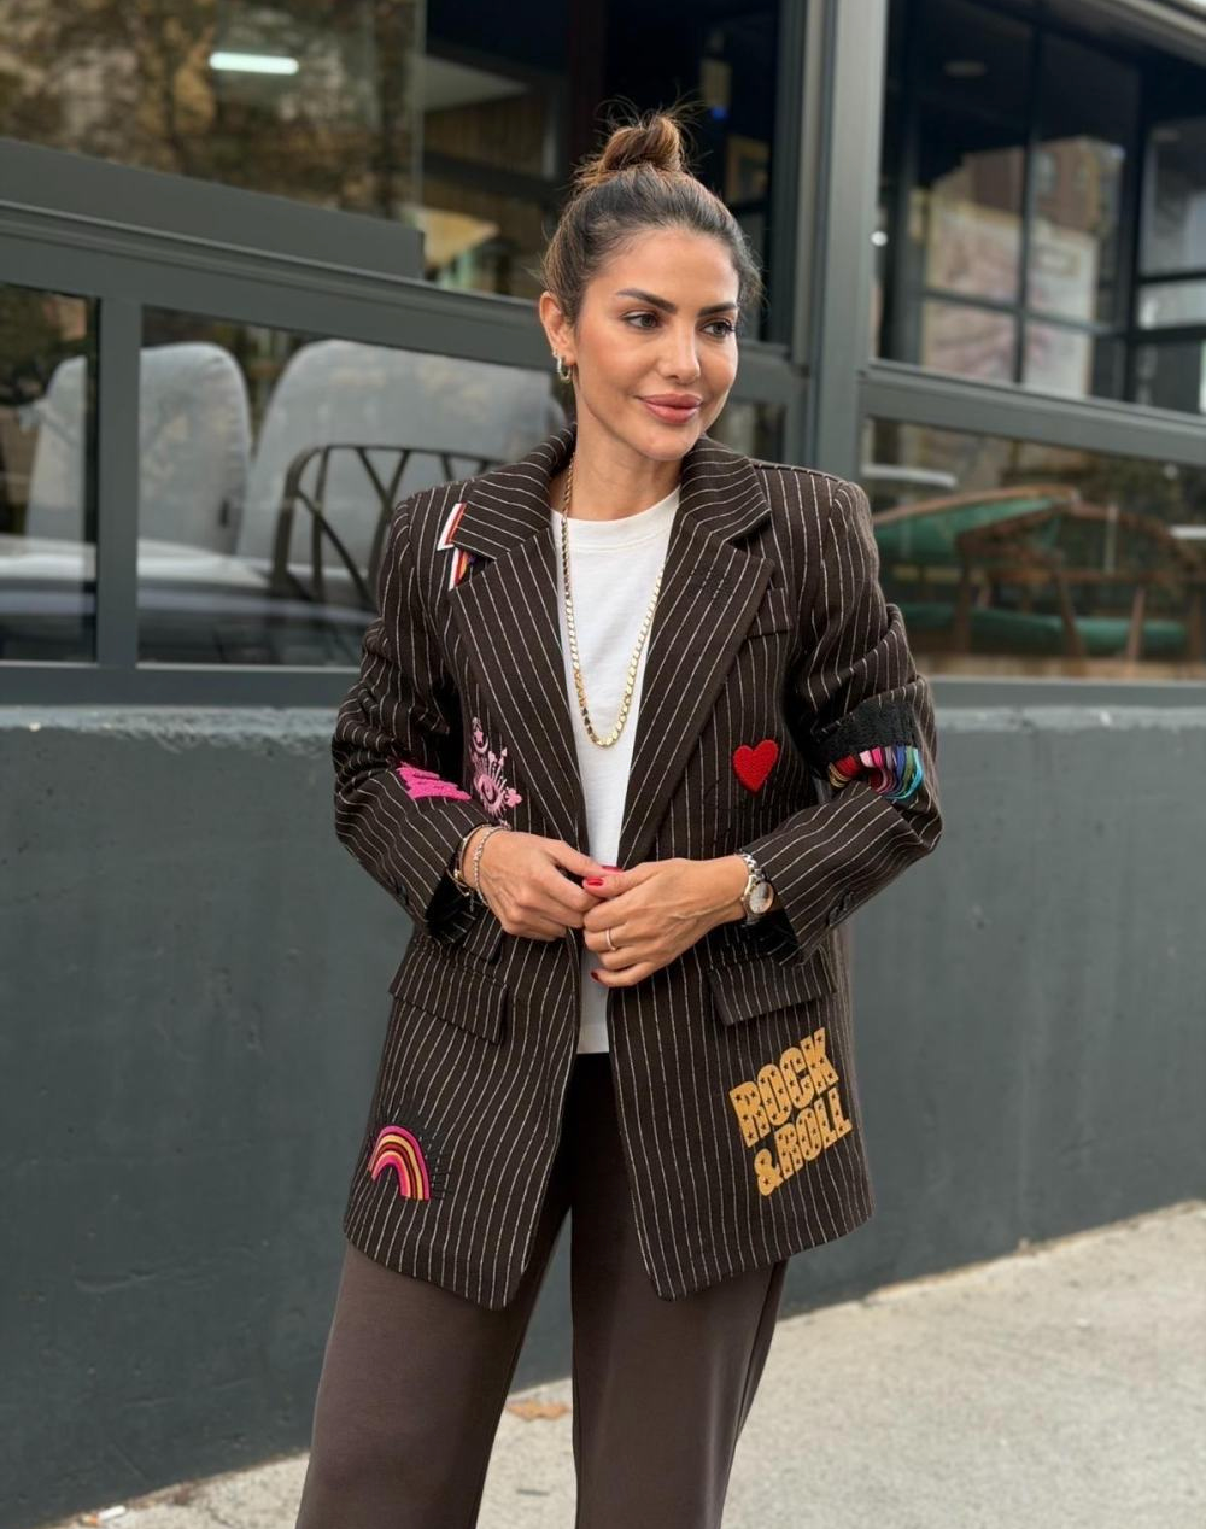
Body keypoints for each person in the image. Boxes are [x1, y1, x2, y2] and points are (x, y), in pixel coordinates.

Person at [295, 104, 943, 1529]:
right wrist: (473, 852)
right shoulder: (447, 541)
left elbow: (897, 787)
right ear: (560, 325)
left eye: (714, 327)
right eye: (643, 318)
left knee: (652, 1501)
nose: (683, 362)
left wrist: (731, 885)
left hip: (718, 1070)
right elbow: (370, 765)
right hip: (473, 1057)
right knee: (372, 1475)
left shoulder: (803, 529)